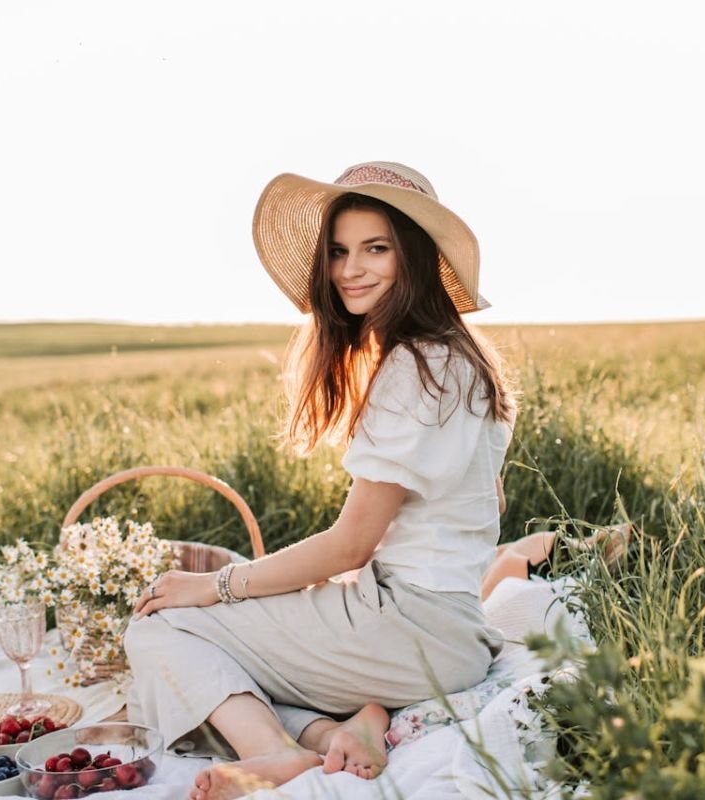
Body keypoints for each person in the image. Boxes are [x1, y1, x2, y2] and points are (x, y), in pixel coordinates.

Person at [124, 161, 517, 800]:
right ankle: (342, 727)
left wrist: (217, 585)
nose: (350, 269)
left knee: (161, 626)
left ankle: (277, 753)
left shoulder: (418, 366)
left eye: (375, 249)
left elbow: (350, 545)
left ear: (412, 256)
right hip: (447, 628)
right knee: (235, 644)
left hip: (411, 628)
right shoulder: (457, 357)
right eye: (338, 252)